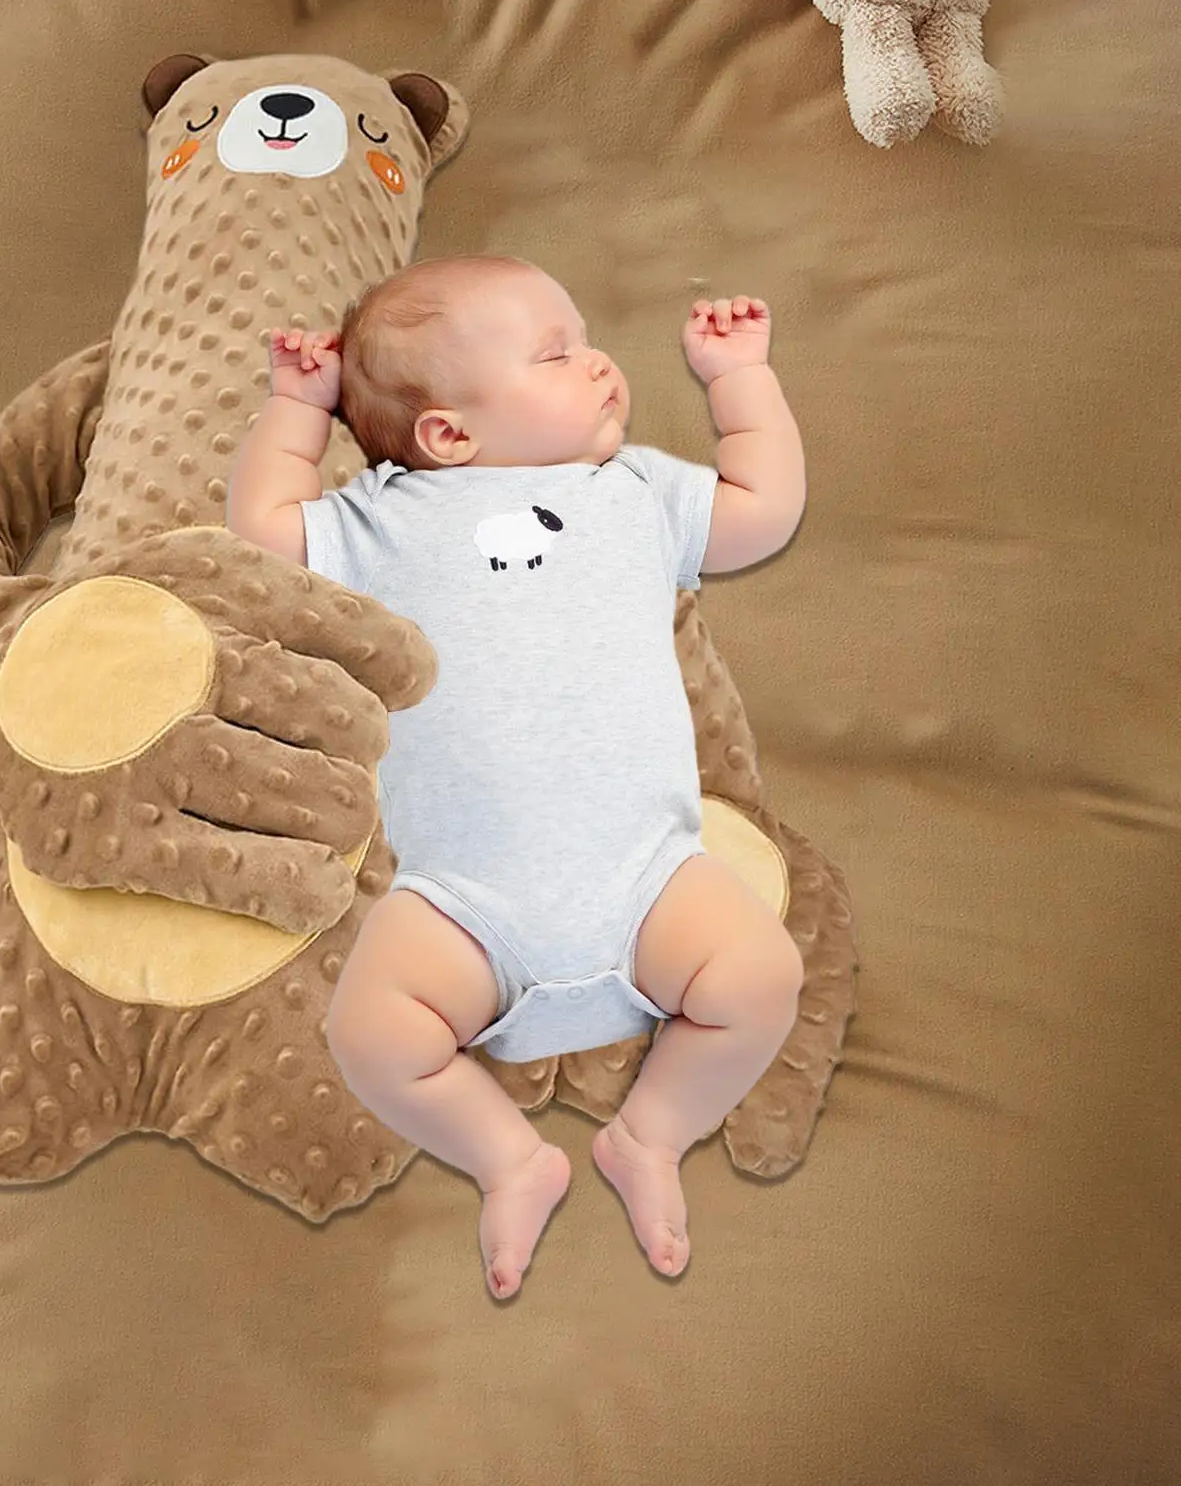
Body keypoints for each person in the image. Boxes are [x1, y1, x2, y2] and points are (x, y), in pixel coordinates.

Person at [224, 255, 806, 1300]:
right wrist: (296, 411)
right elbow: (264, 527)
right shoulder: (379, 519)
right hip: (466, 904)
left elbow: (762, 507)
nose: (599, 363)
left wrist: (739, 381)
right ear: (449, 434)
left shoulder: (636, 490)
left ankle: (650, 1134)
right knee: (369, 1032)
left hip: (645, 879)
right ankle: (507, 1159)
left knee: (761, 975)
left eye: (584, 340)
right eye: (555, 353)